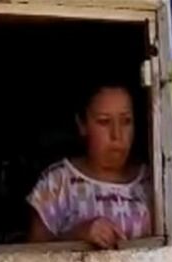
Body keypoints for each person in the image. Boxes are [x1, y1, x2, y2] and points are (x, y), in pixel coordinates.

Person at [27, 80, 152, 249]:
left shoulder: (154, 182)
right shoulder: (57, 183)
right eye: (104, 121)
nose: (117, 134)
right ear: (82, 124)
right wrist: (78, 235)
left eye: (126, 121)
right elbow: (31, 257)